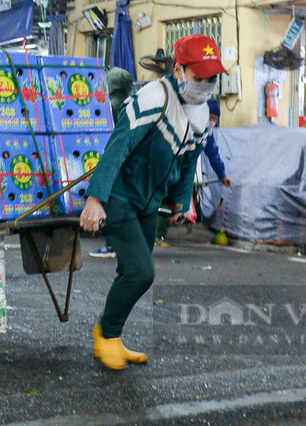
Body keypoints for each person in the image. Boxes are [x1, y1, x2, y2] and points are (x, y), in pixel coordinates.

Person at [79, 34, 222, 370]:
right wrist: (96, 199)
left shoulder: (202, 115)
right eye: (198, 76)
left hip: (148, 202)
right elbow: (118, 145)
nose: (205, 84)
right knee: (141, 273)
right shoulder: (155, 96)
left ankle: (110, 335)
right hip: (120, 195)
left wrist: (181, 203)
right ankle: (106, 336)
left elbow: (189, 163)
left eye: (212, 78)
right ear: (179, 70)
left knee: (133, 272)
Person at [157, 99, 230, 247]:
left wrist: (222, 175)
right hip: (168, 168)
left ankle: (158, 234)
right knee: (161, 200)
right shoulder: (187, 127)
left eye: (215, 119)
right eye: (212, 118)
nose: (213, 122)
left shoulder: (206, 136)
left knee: (172, 202)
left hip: (183, 172)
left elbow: (213, 154)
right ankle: (155, 236)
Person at [90, 67, 140, 260]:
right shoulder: (133, 104)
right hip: (132, 161)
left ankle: (113, 245)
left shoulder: (106, 105)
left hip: (113, 160)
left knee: (112, 201)